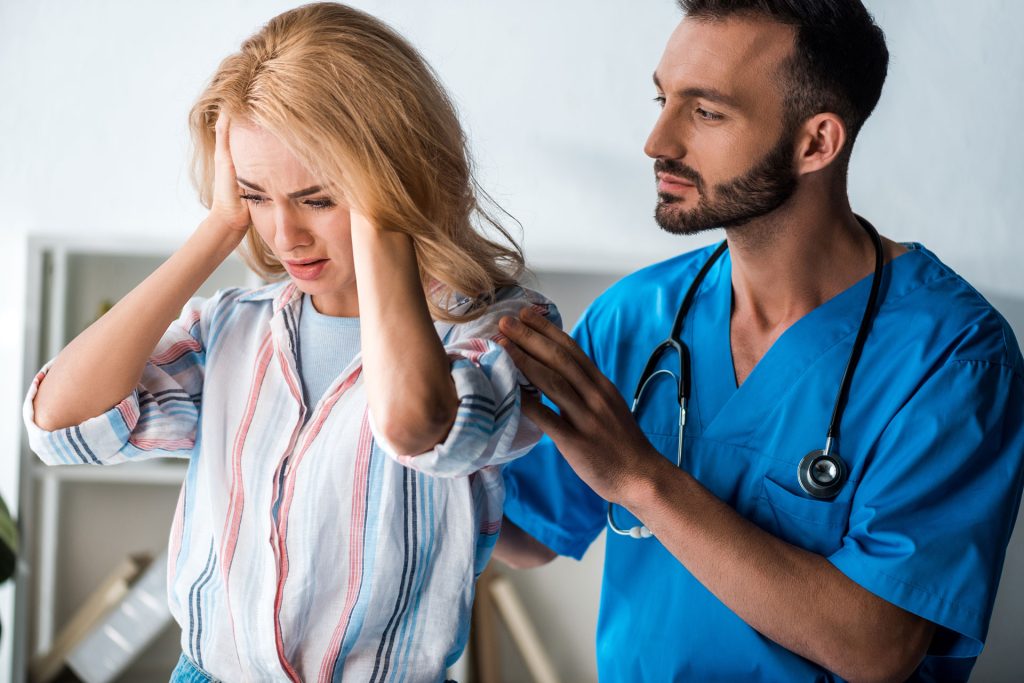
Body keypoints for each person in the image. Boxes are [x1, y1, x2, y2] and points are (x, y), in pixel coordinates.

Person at [22, 3, 559, 681]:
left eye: (319, 198)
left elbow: (419, 425)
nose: (285, 236)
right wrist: (219, 227)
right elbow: (62, 427)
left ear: (398, 181)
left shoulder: (499, 329)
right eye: (255, 195)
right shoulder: (232, 326)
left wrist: (387, 217)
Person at [494, 1, 1024, 681]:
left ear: (816, 143)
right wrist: (429, 428)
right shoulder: (637, 316)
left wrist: (640, 478)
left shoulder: (954, 356)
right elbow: (530, 533)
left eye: (706, 112)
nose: (657, 141)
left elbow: (877, 647)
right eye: (662, 100)